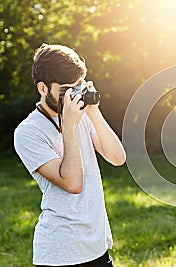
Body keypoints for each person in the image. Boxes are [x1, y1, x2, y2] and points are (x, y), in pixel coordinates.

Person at [14, 44, 126, 267]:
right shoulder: (28, 132)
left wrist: (94, 112)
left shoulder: (81, 114)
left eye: (78, 87)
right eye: (66, 91)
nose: (72, 98)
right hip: (61, 252)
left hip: (96, 246)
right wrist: (70, 127)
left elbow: (117, 157)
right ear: (43, 88)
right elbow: (72, 183)